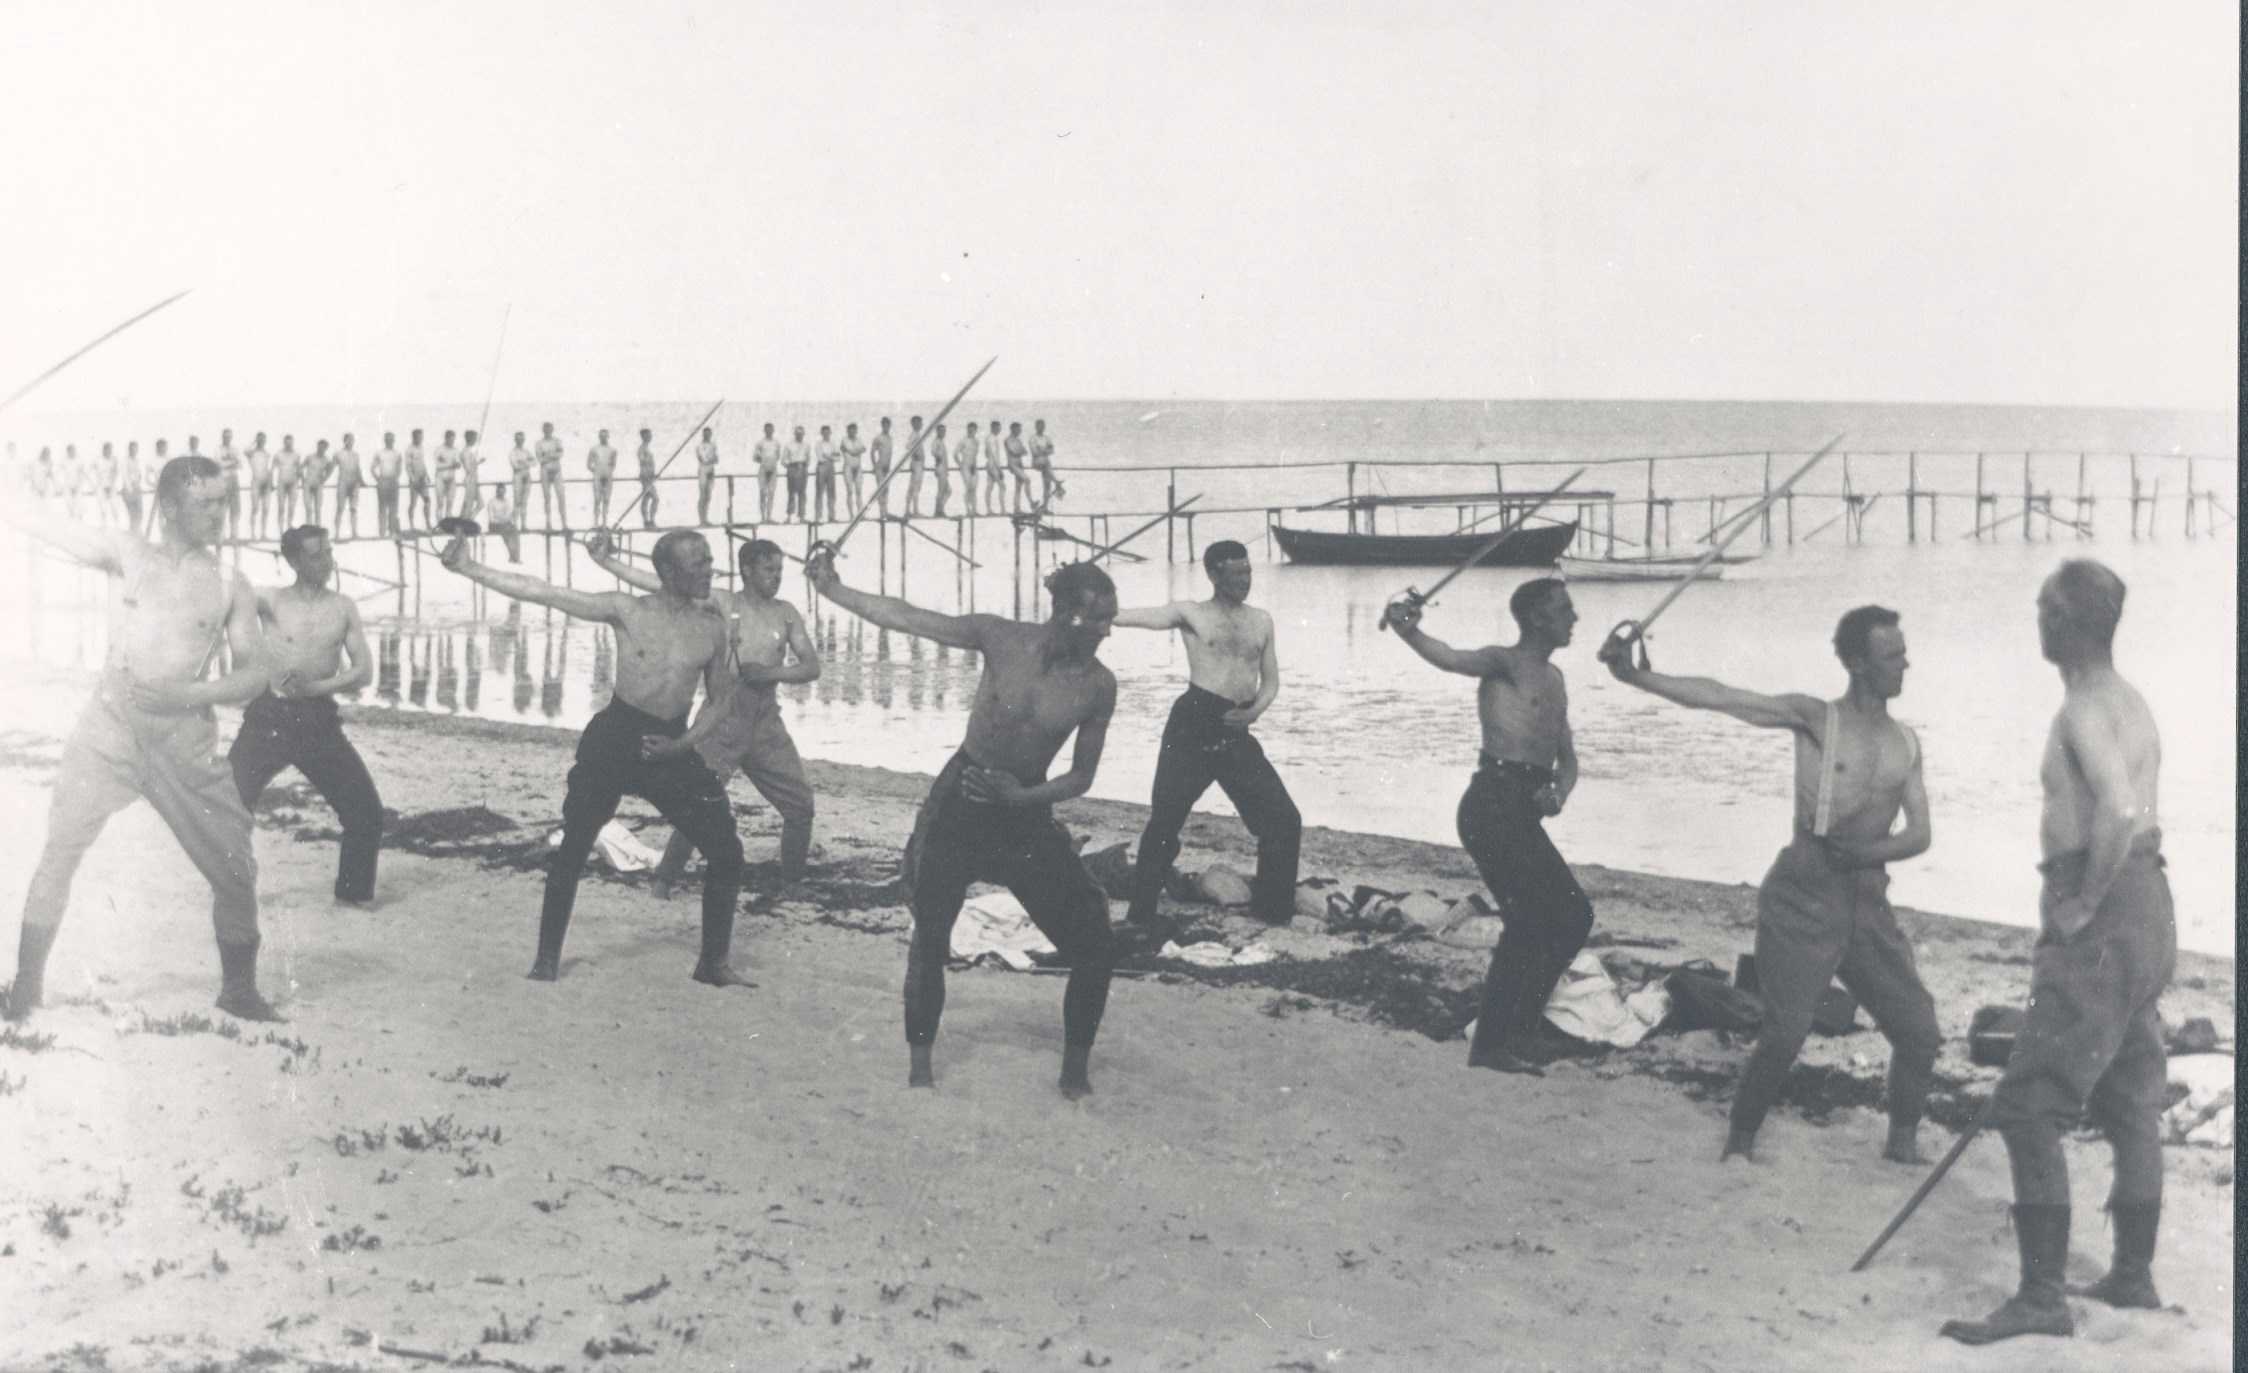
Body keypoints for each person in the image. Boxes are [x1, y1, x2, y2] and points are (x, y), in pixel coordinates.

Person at [1601, 604, 1938, 1157]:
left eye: (1903, 653)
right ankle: (1740, 1142)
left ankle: (1901, 1144)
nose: (1905, 664)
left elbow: (1920, 834)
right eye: (1892, 656)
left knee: (1919, 1030)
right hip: (1803, 892)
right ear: (1857, 663)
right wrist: (1635, 674)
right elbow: (1724, 697)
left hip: (1867, 898)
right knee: (1785, 1032)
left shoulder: (1907, 742)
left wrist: (1868, 852)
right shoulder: (1815, 718)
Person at [1940, 561, 2174, 1345]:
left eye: (2044, 605)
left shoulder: (2081, 707)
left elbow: (2118, 805)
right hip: (2150, 904)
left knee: (2028, 1104)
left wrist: (2079, 902)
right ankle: (2133, 1275)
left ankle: (2042, 1296)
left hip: (2103, 908)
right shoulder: (2128, 699)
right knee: (2131, 1095)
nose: (2035, 617)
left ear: (2067, 620)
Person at [807, 548, 1119, 1098]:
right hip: (960, 801)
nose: (1105, 632)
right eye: (1096, 619)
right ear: (1062, 611)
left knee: (1093, 940)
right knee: (930, 936)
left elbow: (1082, 777)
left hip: (1024, 815)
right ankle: (920, 1070)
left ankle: (1075, 1075)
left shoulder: (1098, 684)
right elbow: (907, 617)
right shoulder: (1000, 637)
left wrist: (1023, 796)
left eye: (1109, 620)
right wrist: (833, 589)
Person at [3, 455, 280, 1023]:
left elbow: (255, 673)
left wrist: (191, 697)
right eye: (206, 503)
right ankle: (25, 990)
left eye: (223, 502)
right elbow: (42, 523)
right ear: (170, 505)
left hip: (183, 740)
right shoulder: (127, 555)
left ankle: (239, 991)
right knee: (60, 850)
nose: (219, 515)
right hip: (109, 729)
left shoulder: (230, 582)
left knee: (233, 867)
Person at [441, 527, 749, 986]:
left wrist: (681, 746)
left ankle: (712, 964)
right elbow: (545, 592)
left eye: (709, 560)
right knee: (575, 845)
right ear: (667, 571)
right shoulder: (627, 609)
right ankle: (546, 959)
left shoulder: (712, 627)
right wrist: (467, 566)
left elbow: (721, 699)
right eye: (698, 563)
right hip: (616, 737)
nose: (710, 570)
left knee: (726, 850)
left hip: (669, 743)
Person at [1384, 578, 1591, 1076]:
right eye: (1564, 609)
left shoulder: (1556, 678)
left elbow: (1567, 758)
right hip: (1491, 803)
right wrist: (1408, 630)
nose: (1574, 618)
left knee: (1572, 917)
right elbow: (1450, 658)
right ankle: (1493, 1044)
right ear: (1537, 617)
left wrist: (1558, 793)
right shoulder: (1504, 661)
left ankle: (1519, 1032)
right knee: (1529, 923)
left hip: (1523, 807)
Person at [587, 531, 819, 902]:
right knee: (699, 807)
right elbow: (655, 582)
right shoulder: (722, 603)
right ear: (746, 571)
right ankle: (664, 881)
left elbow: (811, 667)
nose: (775, 577)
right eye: (767, 570)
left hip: (765, 720)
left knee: (800, 805)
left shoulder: (786, 613)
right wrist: (606, 562)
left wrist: (771, 673)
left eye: (779, 570)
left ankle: (792, 884)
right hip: (723, 720)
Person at [1113, 540, 1300, 933]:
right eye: (1234, 574)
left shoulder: (1261, 620)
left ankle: (1272, 911)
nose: (1243, 581)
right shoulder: (1191, 613)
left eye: (1247, 572)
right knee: (1165, 820)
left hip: (1236, 723)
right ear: (1213, 574)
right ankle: (1140, 913)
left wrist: (1254, 712)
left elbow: (1271, 680)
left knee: (1283, 820)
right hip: (1193, 720)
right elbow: (1140, 617)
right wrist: (1091, 613)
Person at [228, 525, 384, 907]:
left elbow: (363, 672)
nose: (327, 562)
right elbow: (219, 603)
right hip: (269, 717)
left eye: (329, 553)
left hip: (317, 720)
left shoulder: (343, 606)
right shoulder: (270, 600)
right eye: (317, 555)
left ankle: (352, 896)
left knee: (366, 812)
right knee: (227, 804)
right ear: (294, 561)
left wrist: (315, 689)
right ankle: (231, 890)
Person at [535, 421, 568, 530]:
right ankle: (548, 522)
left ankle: (564, 523)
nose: (548, 431)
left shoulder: (557, 441)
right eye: (546, 429)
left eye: (549, 429)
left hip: (556, 470)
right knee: (547, 497)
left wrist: (549, 456)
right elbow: (540, 459)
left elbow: (560, 454)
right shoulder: (539, 443)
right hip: (545, 471)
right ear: (543, 430)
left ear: (552, 430)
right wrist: (552, 456)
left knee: (561, 496)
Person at [372, 432, 403, 537]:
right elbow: (372, 468)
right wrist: (378, 479)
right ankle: (382, 532)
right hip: (383, 482)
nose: (389, 441)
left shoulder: (397, 453)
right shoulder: (380, 453)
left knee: (393, 508)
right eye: (387, 439)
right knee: (382, 508)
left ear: (394, 441)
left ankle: (392, 531)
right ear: (384, 440)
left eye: (391, 439)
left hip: (393, 481)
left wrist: (395, 478)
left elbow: (399, 469)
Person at [586, 429, 617, 527]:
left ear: (608, 437)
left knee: (606, 499)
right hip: (598, 473)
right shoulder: (594, 449)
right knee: (597, 499)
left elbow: (613, 464)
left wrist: (609, 471)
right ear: (599, 437)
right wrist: (595, 471)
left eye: (605, 436)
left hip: (607, 473)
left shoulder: (612, 450)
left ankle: (604, 522)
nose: (603, 438)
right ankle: (595, 521)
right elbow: (588, 464)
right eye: (601, 436)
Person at [335, 434, 364, 537]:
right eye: (348, 440)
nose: (351, 442)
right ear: (345, 441)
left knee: (353, 508)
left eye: (352, 440)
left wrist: (362, 481)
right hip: (343, 482)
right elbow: (331, 466)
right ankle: (337, 533)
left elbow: (358, 469)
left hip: (354, 483)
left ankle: (354, 532)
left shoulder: (356, 454)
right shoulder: (339, 453)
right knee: (340, 508)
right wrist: (323, 478)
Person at [403, 429, 432, 532]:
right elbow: (407, 466)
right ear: (413, 437)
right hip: (414, 481)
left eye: (421, 437)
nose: (420, 439)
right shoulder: (409, 450)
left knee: (427, 501)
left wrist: (427, 475)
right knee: (413, 503)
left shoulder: (421, 448)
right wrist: (412, 478)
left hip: (422, 479)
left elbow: (422, 463)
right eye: (418, 437)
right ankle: (411, 525)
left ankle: (428, 523)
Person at [753, 423, 782, 523]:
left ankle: (769, 516)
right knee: (762, 493)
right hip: (763, 469)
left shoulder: (776, 443)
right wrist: (763, 461)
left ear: (773, 430)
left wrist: (771, 463)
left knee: (771, 493)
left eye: (771, 429)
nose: (769, 431)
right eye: (767, 430)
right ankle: (763, 517)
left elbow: (778, 456)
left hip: (773, 469)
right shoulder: (760, 443)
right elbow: (755, 457)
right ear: (764, 431)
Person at [486, 482, 522, 563]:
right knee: (506, 531)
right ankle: (514, 557)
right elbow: (492, 519)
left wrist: (505, 519)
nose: (501, 493)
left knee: (514, 531)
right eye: (499, 491)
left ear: (505, 492)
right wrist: (503, 519)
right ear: (497, 492)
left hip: (505, 524)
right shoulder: (492, 502)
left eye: (503, 491)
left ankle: (515, 556)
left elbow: (509, 516)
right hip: (494, 525)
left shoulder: (506, 502)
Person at [1030, 418, 1062, 507]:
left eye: (1043, 426)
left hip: (1045, 464)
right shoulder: (1033, 438)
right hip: (1037, 462)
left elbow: (1052, 450)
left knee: (1047, 484)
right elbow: (1034, 452)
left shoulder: (1047, 438)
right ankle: (1056, 482)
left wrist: (1041, 449)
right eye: (1039, 426)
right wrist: (1045, 450)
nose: (1041, 428)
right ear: (1036, 427)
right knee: (1046, 463)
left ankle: (1045, 506)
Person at [247, 433, 274, 537]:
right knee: (255, 507)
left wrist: (271, 482)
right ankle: (253, 533)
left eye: (263, 440)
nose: (261, 442)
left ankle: (263, 533)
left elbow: (269, 468)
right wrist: (254, 442)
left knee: (266, 508)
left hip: (266, 481)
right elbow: (245, 450)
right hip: (256, 481)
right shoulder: (252, 453)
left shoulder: (267, 453)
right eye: (259, 439)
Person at [218, 428, 242, 539]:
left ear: (231, 438)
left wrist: (227, 464)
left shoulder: (235, 449)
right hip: (222, 480)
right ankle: (222, 533)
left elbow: (240, 465)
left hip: (233, 480)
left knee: (235, 508)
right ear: (222, 437)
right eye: (225, 436)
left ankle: (234, 533)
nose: (227, 438)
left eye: (229, 437)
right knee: (222, 508)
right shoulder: (217, 449)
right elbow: (217, 465)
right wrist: (232, 463)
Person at [783, 425, 811, 522]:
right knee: (791, 492)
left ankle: (802, 516)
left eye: (801, 434)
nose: (799, 436)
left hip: (803, 468)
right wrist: (791, 466)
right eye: (798, 434)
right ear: (795, 434)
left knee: (802, 493)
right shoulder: (789, 445)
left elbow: (808, 458)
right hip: (792, 468)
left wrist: (804, 466)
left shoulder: (806, 445)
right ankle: (789, 516)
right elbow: (783, 460)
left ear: (803, 434)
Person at [303, 439, 334, 527]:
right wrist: (302, 478)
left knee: (318, 508)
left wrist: (325, 479)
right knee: (308, 507)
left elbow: (331, 469)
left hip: (318, 484)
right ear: (317, 446)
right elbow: (300, 467)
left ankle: (317, 528)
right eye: (320, 446)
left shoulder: (326, 460)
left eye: (324, 447)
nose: (321, 449)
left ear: (326, 449)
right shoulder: (310, 457)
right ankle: (309, 528)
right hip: (308, 484)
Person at [275, 436, 303, 530]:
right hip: (282, 482)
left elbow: (299, 468)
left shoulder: (296, 454)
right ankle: (280, 529)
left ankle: (289, 526)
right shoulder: (278, 454)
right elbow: (272, 468)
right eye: (287, 442)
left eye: (290, 442)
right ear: (284, 443)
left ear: (293, 443)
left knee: (291, 506)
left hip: (293, 482)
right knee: (281, 506)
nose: (288, 444)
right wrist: (271, 482)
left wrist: (301, 479)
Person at [868, 418, 894, 519]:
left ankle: (885, 511)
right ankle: (882, 512)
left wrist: (889, 466)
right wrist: (874, 466)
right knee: (881, 489)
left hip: (887, 467)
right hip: (880, 467)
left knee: (886, 489)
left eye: (888, 425)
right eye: (884, 425)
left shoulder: (890, 438)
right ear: (882, 425)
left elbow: (889, 454)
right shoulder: (878, 438)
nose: (886, 427)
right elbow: (872, 452)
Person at [694, 426, 720, 525]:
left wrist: (711, 461)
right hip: (703, 471)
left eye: (709, 434)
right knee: (702, 495)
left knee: (708, 495)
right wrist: (710, 460)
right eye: (706, 434)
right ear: (703, 434)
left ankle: (706, 518)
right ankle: (701, 519)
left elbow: (716, 459)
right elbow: (702, 459)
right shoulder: (699, 446)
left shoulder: (713, 445)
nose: (708, 435)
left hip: (711, 470)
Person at [813, 425, 839, 523]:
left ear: (830, 433)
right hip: (822, 467)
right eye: (824, 432)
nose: (826, 434)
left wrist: (828, 455)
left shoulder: (833, 444)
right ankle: (818, 516)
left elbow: (838, 458)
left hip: (831, 468)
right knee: (820, 492)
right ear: (822, 433)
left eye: (828, 432)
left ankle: (831, 516)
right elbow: (820, 457)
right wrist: (831, 456)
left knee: (831, 493)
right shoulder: (818, 444)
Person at [434, 430, 462, 520]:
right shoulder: (439, 450)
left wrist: (457, 465)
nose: (452, 442)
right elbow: (438, 466)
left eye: (453, 440)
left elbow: (457, 463)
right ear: (446, 438)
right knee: (440, 502)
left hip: (451, 479)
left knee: (450, 502)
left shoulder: (456, 450)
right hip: (440, 478)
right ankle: (439, 523)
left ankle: (448, 523)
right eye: (450, 439)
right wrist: (450, 465)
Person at [119, 441, 146, 534]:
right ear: (129, 449)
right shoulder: (124, 461)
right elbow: (125, 476)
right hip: (128, 490)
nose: (134, 451)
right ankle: (133, 533)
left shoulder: (138, 461)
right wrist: (130, 488)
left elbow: (140, 474)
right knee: (132, 514)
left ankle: (136, 532)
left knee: (140, 514)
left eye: (135, 449)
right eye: (132, 449)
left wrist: (138, 484)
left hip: (137, 489)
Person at [634, 427, 659, 529]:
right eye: (648, 435)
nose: (650, 437)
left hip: (649, 476)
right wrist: (649, 475)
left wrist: (653, 474)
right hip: (646, 477)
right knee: (655, 498)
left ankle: (647, 521)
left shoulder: (646, 448)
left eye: (650, 435)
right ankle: (650, 520)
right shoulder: (642, 449)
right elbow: (643, 463)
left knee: (646, 498)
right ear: (643, 437)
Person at [1004, 421, 1031, 512]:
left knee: (1018, 487)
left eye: (1020, 430)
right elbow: (1013, 452)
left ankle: (1017, 508)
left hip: (1019, 464)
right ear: (1013, 429)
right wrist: (1020, 451)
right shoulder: (1008, 440)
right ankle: (1031, 502)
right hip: (1013, 464)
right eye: (1018, 429)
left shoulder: (1018, 440)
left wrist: (1019, 451)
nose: (1019, 431)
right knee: (1027, 480)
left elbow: (1025, 451)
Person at [840, 422, 867, 514]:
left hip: (858, 467)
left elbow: (863, 448)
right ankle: (851, 514)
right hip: (848, 467)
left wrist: (855, 451)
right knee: (850, 491)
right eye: (850, 430)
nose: (852, 432)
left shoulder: (859, 439)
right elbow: (848, 450)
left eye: (854, 430)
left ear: (856, 431)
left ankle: (860, 512)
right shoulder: (844, 440)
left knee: (859, 490)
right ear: (847, 431)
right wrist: (856, 451)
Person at [955, 422, 981, 516]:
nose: (971, 431)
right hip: (965, 466)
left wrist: (974, 465)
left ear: (975, 430)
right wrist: (960, 465)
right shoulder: (963, 441)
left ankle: (974, 510)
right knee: (968, 488)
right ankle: (968, 510)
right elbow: (955, 454)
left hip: (973, 466)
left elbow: (975, 455)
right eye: (969, 429)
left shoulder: (976, 441)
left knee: (974, 489)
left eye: (973, 429)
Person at [902, 416, 926, 516]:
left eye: (920, 422)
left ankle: (908, 510)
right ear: (914, 424)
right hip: (916, 463)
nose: (920, 424)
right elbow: (908, 446)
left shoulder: (918, 434)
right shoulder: (914, 435)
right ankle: (915, 510)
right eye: (918, 423)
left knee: (914, 487)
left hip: (919, 463)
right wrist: (914, 454)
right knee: (915, 487)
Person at [459, 430, 486, 516]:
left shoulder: (470, 451)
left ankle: (468, 520)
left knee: (480, 504)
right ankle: (463, 523)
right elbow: (468, 468)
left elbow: (471, 466)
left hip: (474, 479)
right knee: (468, 504)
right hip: (470, 480)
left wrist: (477, 462)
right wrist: (477, 463)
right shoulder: (465, 452)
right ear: (470, 438)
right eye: (474, 438)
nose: (475, 440)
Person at [929, 423, 952, 517]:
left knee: (948, 490)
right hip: (940, 467)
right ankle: (938, 511)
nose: (943, 433)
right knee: (942, 490)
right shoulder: (936, 441)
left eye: (944, 431)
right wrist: (937, 458)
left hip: (944, 468)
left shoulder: (941, 442)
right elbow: (933, 451)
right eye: (941, 431)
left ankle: (940, 509)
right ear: (937, 431)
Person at [984, 416, 1006, 510]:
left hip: (991, 464)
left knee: (990, 487)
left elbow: (987, 453)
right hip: (993, 466)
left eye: (999, 428)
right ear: (992, 428)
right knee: (1002, 486)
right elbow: (993, 455)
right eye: (997, 428)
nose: (998, 430)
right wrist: (999, 469)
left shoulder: (990, 438)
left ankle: (989, 509)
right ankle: (1002, 509)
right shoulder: (991, 439)